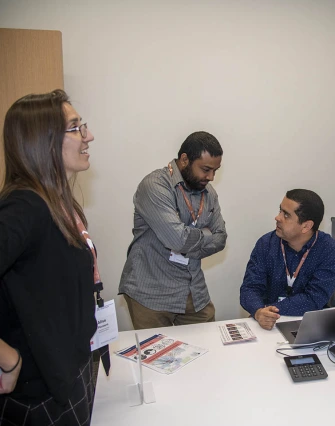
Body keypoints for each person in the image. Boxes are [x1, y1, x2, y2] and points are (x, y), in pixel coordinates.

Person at [0, 90, 102, 424]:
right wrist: (7, 358)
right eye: (75, 128)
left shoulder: (59, 203)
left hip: (71, 373)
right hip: (39, 395)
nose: (88, 136)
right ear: (41, 140)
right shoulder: (24, 207)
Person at [119, 131, 227, 329]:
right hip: (152, 293)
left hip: (194, 291)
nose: (211, 177)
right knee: (158, 358)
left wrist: (185, 238)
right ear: (184, 159)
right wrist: (201, 235)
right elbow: (177, 240)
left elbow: (220, 238)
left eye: (215, 170)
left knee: (209, 350)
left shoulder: (209, 193)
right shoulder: (155, 186)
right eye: (206, 169)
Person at [240, 189, 335, 330]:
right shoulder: (266, 244)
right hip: (266, 323)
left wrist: (269, 310)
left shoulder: (329, 250)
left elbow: (314, 298)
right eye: (280, 211)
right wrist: (258, 311)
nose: (277, 217)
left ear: (306, 226)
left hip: (307, 323)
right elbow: (250, 288)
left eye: (286, 215)